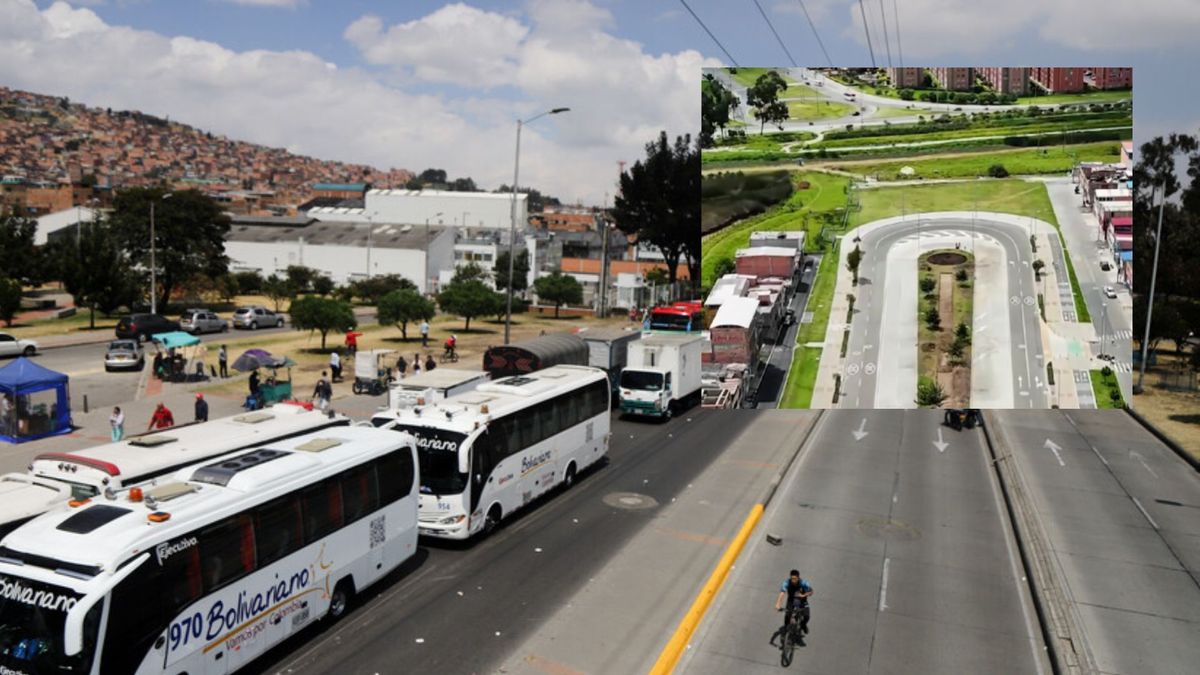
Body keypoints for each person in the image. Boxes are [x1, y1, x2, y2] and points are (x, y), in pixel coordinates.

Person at [773, 569, 813, 643]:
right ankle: (786, 628)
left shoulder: (803, 583)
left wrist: (803, 595)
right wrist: (778, 603)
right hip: (791, 601)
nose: (793, 580)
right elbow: (782, 593)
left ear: (798, 578)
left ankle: (803, 625)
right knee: (788, 615)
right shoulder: (786, 583)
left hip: (802, 601)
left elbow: (811, 592)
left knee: (807, 617)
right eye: (792, 578)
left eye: (795, 579)